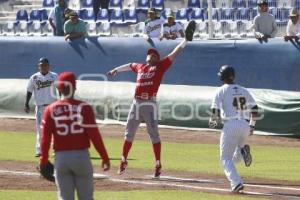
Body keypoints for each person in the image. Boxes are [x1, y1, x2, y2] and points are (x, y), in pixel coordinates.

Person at [107, 37, 191, 178]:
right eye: (149, 53)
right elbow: (130, 65)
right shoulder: (141, 67)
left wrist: (185, 41)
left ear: (157, 58)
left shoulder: (160, 66)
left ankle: (158, 163)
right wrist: (116, 70)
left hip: (149, 103)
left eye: (154, 54)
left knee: (154, 135)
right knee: (129, 133)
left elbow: (174, 53)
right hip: (136, 103)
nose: (151, 54)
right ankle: (123, 160)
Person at [39, 71, 110, 200]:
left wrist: (43, 160)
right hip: (81, 156)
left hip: (61, 158)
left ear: (58, 88)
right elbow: (95, 135)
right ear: (75, 87)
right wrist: (104, 156)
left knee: (65, 198)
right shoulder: (84, 107)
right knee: (86, 197)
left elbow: (45, 138)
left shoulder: (50, 109)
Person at [209, 65, 258, 193]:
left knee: (225, 158)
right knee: (234, 159)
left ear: (222, 76)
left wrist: (215, 118)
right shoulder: (244, 89)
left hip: (230, 125)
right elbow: (255, 109)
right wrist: (252, 125)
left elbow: (215, 111)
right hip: (245, 125)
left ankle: (236, 183)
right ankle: (242, 151)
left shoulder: (221, 90)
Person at [25, 57, 58, 157]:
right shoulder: (34, 77)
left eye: (45, 65)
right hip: (40, 107)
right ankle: (39, 150)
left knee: (55, 128)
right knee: (40, 129)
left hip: (53, 106)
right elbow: (29, 90)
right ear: (38, 66)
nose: (43, 66)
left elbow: (60, 88)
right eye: (41, 65)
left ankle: (56, 149)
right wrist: (26, 103)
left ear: (48, 66)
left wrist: (62, 101)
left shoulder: (54, 76)